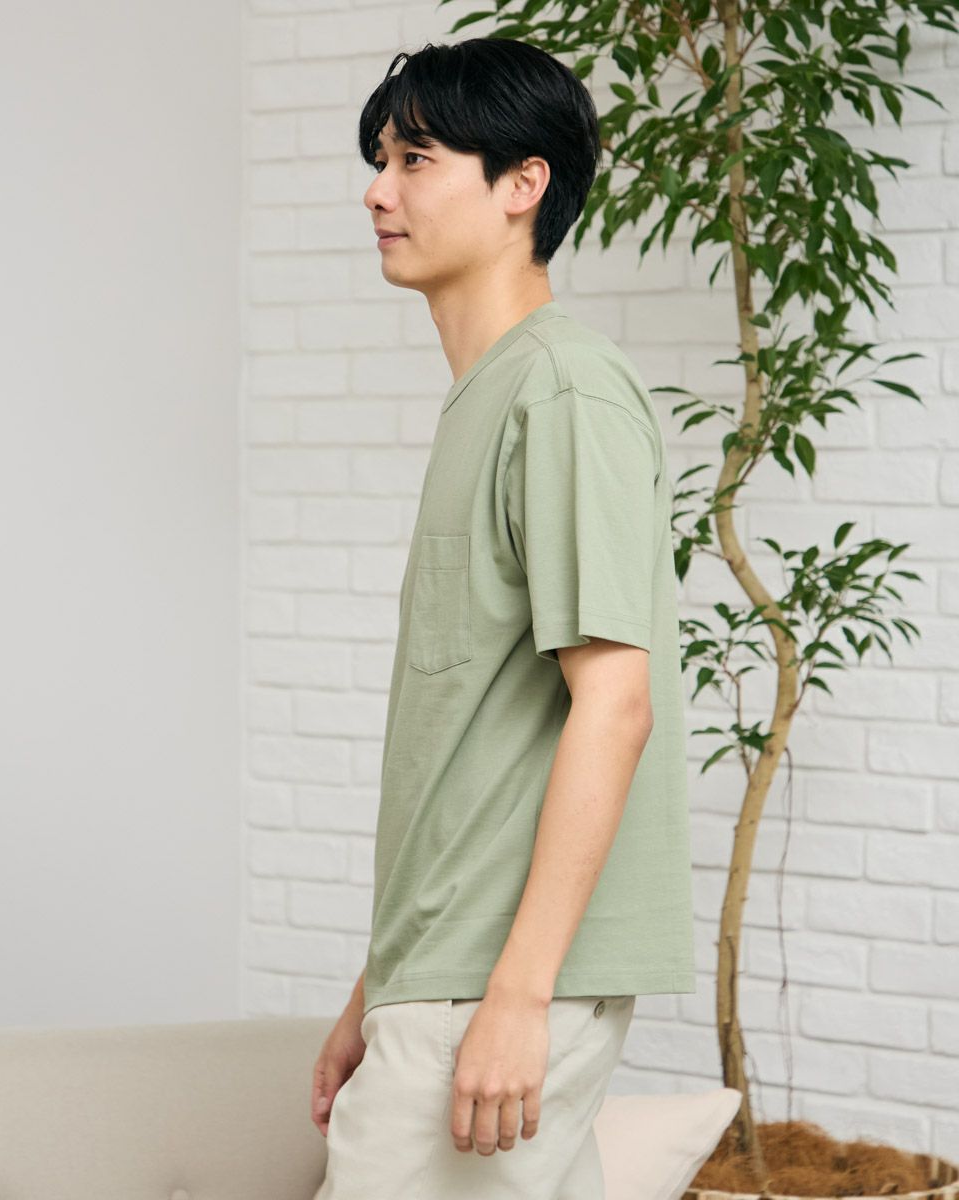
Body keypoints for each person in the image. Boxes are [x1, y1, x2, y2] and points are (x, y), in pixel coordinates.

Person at [310, 35, 696, 1200]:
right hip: (446, 974)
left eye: (416, 159)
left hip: (495, 986)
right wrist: (378, 988)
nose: (379, 192)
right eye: (380, 160)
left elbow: (614, 706)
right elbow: (474, 752)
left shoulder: (561, 391)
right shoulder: (495, 395)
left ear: (524, 183)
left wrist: (516, 996)